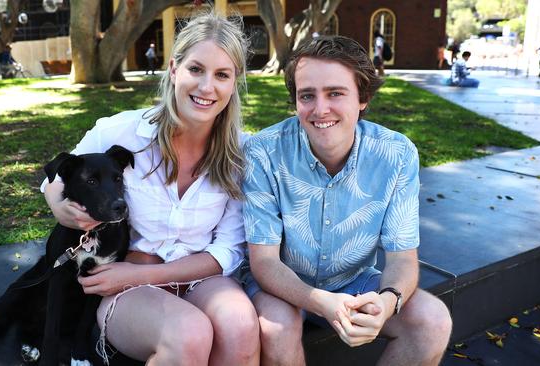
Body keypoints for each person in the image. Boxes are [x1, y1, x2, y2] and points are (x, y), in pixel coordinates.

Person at [42, 12, 259, 365]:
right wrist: (59, 208)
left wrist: (149, 273)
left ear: (235, 81)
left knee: (241, 326)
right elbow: (56, 178)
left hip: (198, 278)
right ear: (174, 69)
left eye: (222, 74)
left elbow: (228, 251)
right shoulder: (125, 132)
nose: (207, 87)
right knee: (190, 333)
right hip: (128, 286)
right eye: (196, 69)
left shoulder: (241, 154)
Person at [240, 35, 452, 365]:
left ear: (362, 98)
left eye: (335, 93)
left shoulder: (395, 154)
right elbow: (264, 262)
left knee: (433, 322)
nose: (320, 109)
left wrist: (387, 301)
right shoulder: (264, 151)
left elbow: (402, 260)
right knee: (277, 328)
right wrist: (320, 301)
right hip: (279, 283)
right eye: (307, 95)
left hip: (351, 280)